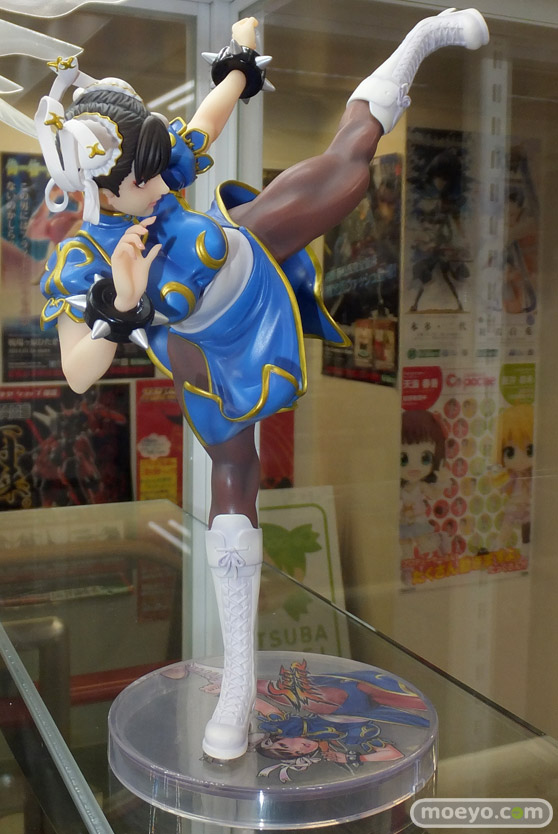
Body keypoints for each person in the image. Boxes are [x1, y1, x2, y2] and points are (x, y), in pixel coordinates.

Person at [35, 10, 489, 760]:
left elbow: (207, 121)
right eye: (142, 177)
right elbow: (78, 373)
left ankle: (420, 39)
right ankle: (238, 685)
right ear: (98, 188)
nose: (160, 181)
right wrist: (117, 307)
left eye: (158, 166)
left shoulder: (157, 171)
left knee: (348, 169)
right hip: (209, 355)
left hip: (253, 257)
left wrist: (240, 61)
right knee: (234, 482)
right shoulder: (83, 257)